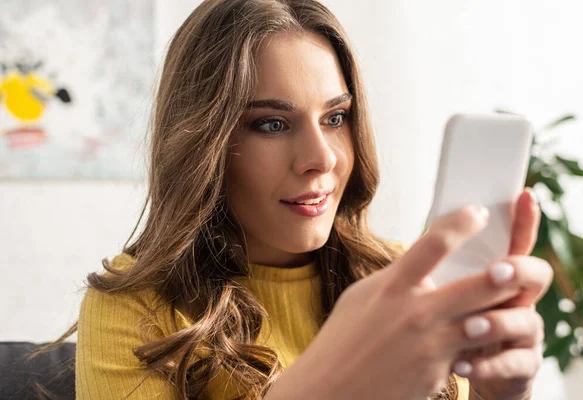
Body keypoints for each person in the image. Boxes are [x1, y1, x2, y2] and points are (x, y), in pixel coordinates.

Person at [39, 0, 553, 399]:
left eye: (335, 118)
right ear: (205, 143)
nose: (321, 158)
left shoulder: (399, 279)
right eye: (272, 124)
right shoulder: (134, 308)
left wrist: (501, 393)